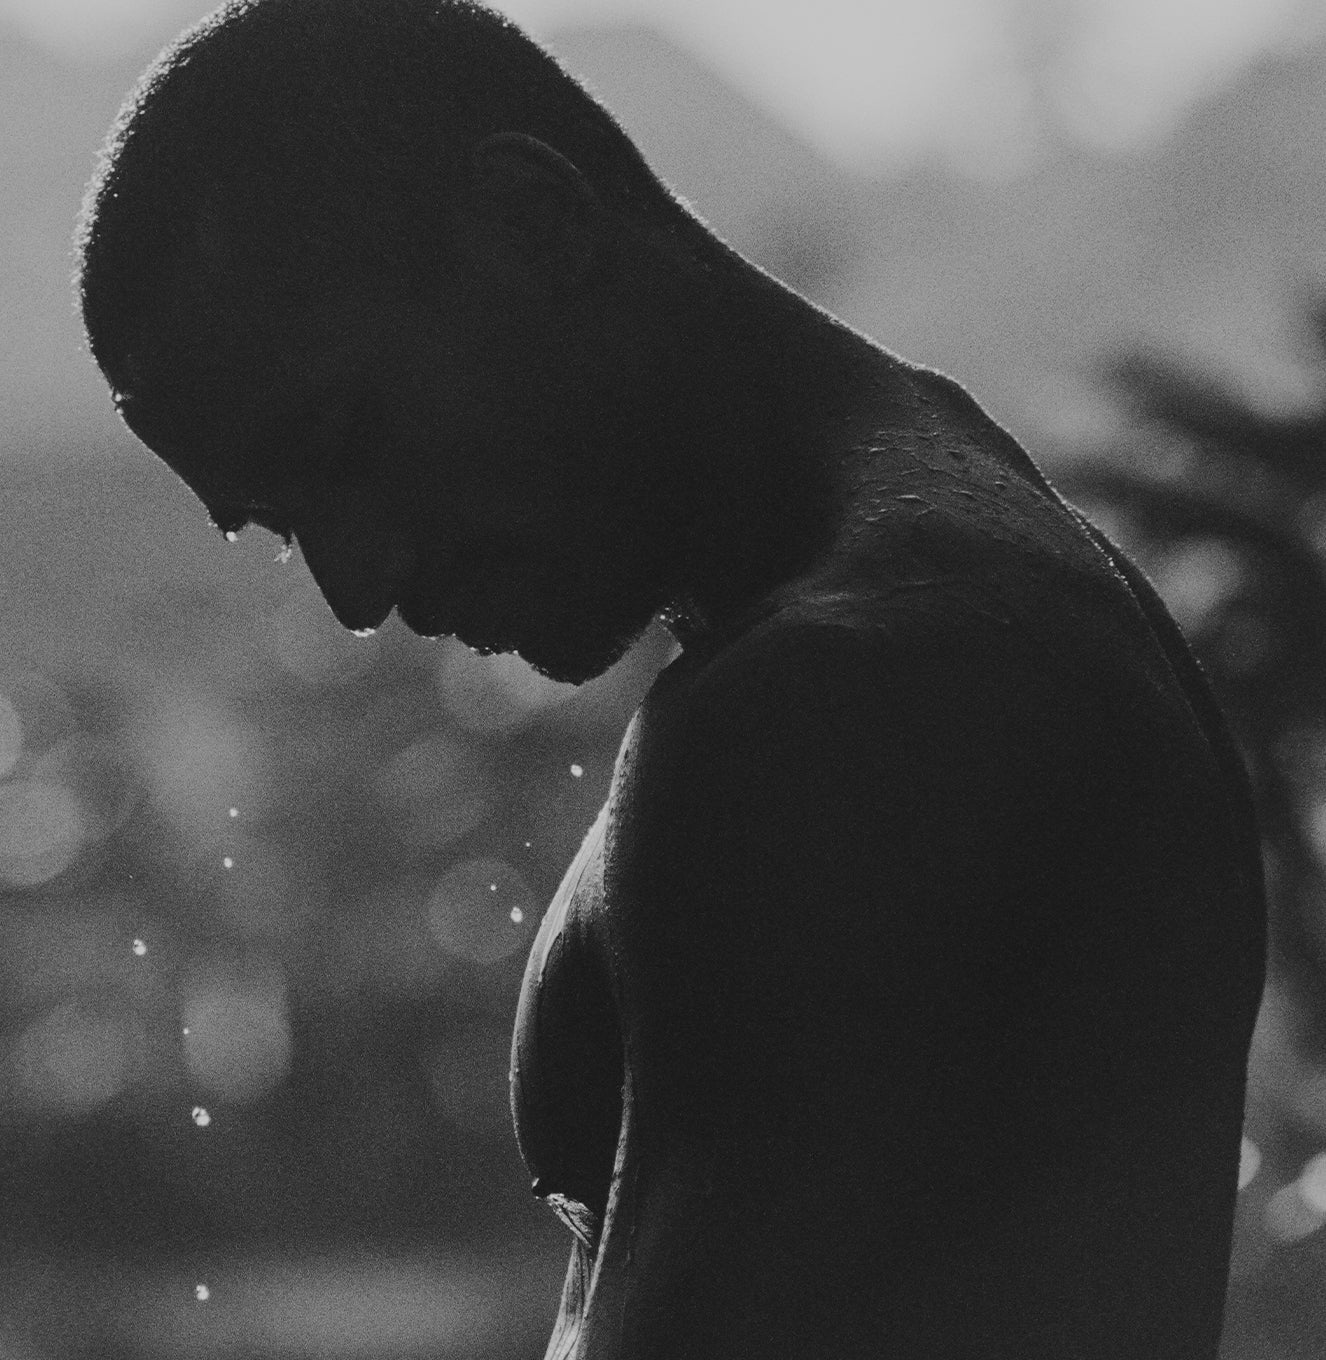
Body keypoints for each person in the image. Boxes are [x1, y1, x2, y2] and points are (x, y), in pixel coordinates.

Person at [76, 2, 1266, 1355]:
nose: (353, 587)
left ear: (530, 224)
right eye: (286, 526)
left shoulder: (845, 706)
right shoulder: (979, 582)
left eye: (345, 446)